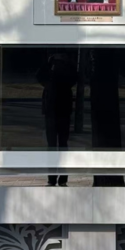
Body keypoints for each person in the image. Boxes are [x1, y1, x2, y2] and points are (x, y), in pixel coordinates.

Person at [37, 53, 77, 187]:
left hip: (55, 110)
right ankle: (60, 177)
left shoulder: (53, 73)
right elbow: (74, 77)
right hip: (60, 110)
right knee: (61, 144)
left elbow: (40, 77)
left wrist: (50, 63)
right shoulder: (63, 73)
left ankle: (53, 177)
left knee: (53, 145)